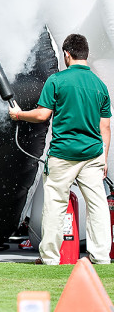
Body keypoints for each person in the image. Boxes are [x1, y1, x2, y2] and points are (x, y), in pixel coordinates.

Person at [9, 33, 111, 265]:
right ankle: (101, 257)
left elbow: (42, 115)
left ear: (66, 54)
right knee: (97, 205)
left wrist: (19, 114)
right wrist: (104, 158)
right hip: (93, 155)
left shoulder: (57, 81)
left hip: (63, 154)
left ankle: (50, 258)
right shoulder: (100, 85)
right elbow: (105, 126)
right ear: (86, 54)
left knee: (55, 204)